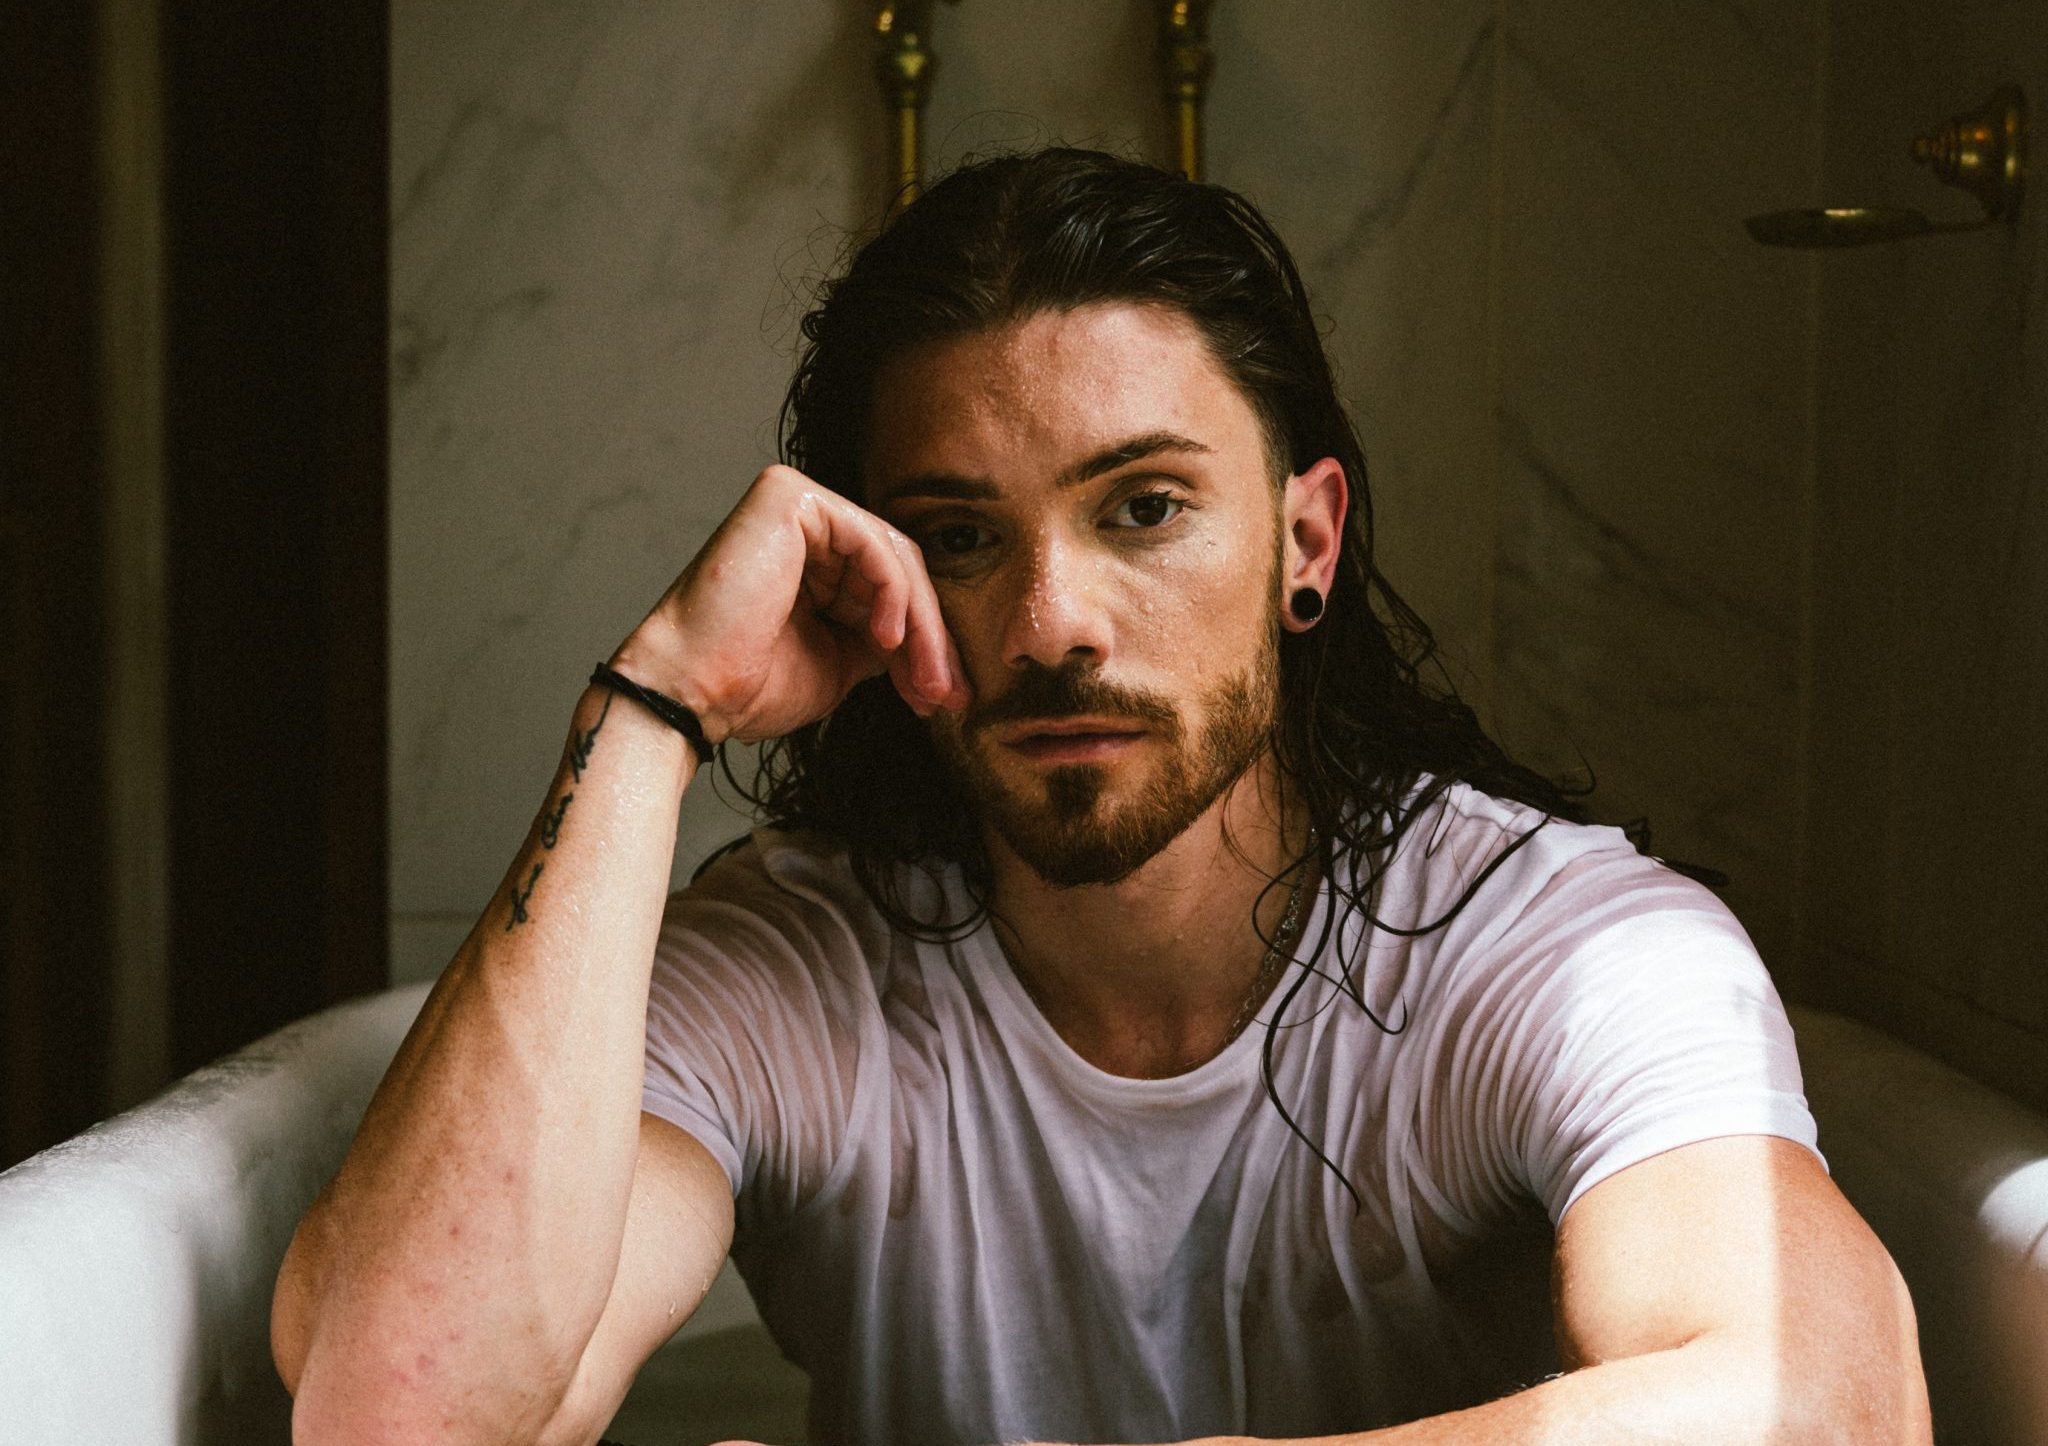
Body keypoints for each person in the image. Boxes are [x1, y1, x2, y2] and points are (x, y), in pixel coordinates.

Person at [272, 149, 1929, 1446]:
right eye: (961, 536)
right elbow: (404, 1411)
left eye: (1142, 508)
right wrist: (654, 707)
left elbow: (1831, 1405)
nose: (1051, 621)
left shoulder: (1551, 948)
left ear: (1306, 541)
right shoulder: (799, 970)